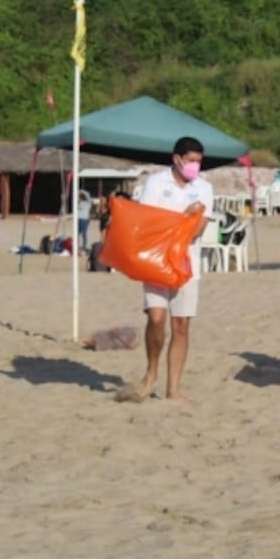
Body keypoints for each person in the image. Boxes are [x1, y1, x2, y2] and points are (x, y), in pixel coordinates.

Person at [114, 136, 214, 404]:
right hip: (156, 260)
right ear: (177, 159)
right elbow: (149, 223)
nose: (195, 166)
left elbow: (199, 228)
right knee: (156, 318)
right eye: (191, 161)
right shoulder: (156, 183)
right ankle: (150, 373)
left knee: (181, 325)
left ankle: (173, 389)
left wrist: (185, 222)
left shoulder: (204, 188)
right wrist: (184, 216)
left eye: (198, 162)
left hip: (187, 263)